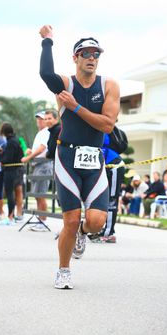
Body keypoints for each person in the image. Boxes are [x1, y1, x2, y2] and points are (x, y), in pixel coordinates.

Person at [39, 25, 119, 289]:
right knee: (70, 220)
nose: (91, 58)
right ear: (75, 58)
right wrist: (48, 41)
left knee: (96, 222)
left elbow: (107, 125)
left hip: (94, 159)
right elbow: (45, 73)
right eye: (85, 53)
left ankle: (83, 234)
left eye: (96, 53)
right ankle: (63, 270)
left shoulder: (109, 85)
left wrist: (76, 107)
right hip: (67, 157)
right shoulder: (65, 83)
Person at [88, 126, 128, 243]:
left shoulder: (102, 129)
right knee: (100, 198)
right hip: (105, 167)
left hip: (114, 166)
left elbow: (103, 145)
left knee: (111, 199)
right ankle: (102, 230)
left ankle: (109, 233)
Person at [21, 111, 52, 224]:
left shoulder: (46, 131)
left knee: (40, 195)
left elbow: (42, 148)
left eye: (41, 119)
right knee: (37, 195)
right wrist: (31, 151)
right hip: (38, 165)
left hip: (43, 165)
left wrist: (28, 157)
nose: (39, 120)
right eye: (38, 118)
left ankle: (42, 221)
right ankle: (41, 219)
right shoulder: (41, 132)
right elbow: (38, 149)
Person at [0, 123, 24, 225]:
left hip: (11, 170)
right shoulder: (17, 140)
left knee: (10, 193)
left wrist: (1, 154)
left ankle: (10, 217)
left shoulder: (10, 142)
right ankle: (18, 214)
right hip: (19, 169)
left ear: (3, 132)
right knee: (18, 192)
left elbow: (8, 159)